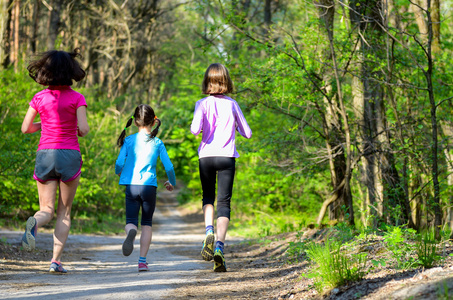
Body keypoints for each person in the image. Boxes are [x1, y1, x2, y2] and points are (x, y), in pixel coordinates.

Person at [21, 49, 89, 273]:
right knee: (64, 213)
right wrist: (75, 127)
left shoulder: (39, 98)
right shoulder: (77, 98)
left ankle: (35, 222)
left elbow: (26, 128)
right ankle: (55, 261)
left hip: (45, 154)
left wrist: (44, 125)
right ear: (71, 71)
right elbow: (84, 130)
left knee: (46, 210)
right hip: (69, 154)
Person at [190, 63, 252, 272]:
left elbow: (194, 130)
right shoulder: (233, 105)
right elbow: (248, 133)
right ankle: (219, 246)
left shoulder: (201, 104)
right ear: (226, 82)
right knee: (224, 202)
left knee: (208, 197)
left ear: (207, 82)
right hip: (226, 157)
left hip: (206, 156)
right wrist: (233, 124)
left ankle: (209, 231)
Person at [115, 104, 176, 272]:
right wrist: (172, 182)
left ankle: (130, 232)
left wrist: (119, 173)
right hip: (149, 187)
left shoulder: (129, 140)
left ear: (135, 122)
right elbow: (169, 167)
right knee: (147, 223)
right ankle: (142, 261)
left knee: (131, 221)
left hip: (132, 186)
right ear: (153, 121)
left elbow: (119, 163)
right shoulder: (157, 142)